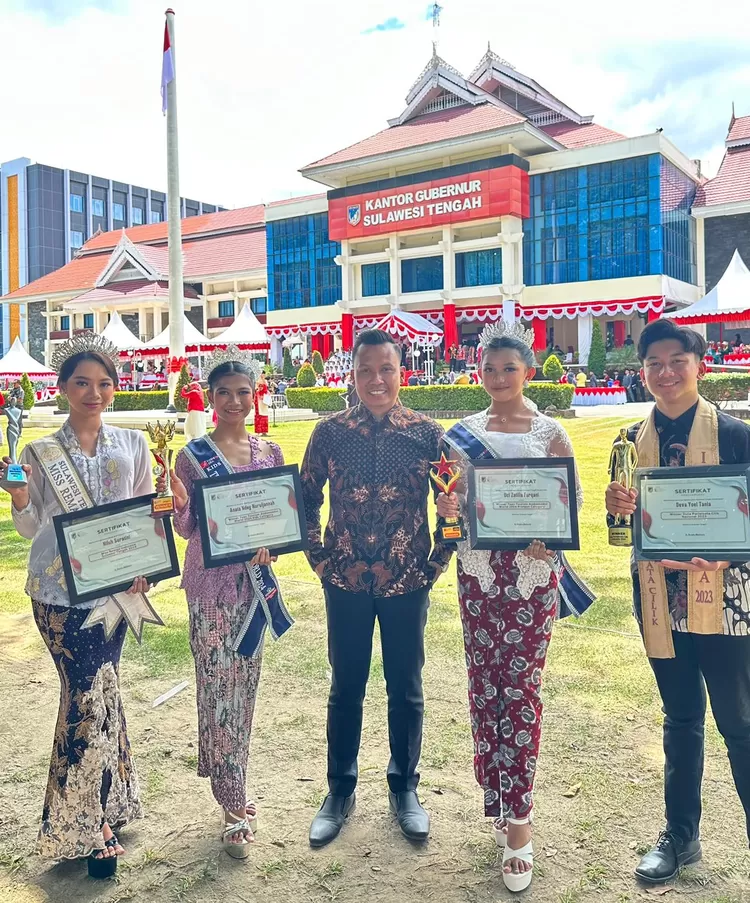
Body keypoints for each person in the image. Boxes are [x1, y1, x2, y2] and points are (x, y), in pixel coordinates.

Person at [441, 322, 594, 893]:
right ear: (478, 373)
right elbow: (451, 506)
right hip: (478, 574)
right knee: (484, 686)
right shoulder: (459, 435)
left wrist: (547, 534)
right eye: (489, 368)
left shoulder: (550, 431)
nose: (498, 378)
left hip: (530, 576)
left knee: (522, 688)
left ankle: (522, 820)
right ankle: (498, 797)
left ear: (528, 371)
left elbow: (570, 500)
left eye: (510, 368)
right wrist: (448, 503)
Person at [1, 335, 155, 878]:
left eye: (105, 383)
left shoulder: (134, 445)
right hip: (58, 593)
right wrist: (20, 500)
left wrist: (146, 565)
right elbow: (28, 529)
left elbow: (143, 515)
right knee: (86, 697)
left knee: (105, 694)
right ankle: (84, 826)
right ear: (63, 389)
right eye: (83, 383)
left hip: (115, 589)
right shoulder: (39, 452)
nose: (95, 392)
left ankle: (106, 805)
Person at [605, 319, 750, 885]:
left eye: (676, 361)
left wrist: (730, 555)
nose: (664, 373)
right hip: (661, 602)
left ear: (700, 365)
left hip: (728, 599)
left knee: (739, 721)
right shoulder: (627, 441)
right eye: (654, 364)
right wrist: (620, 505)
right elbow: (622, 531)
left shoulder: (737, 435)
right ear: (643, 373)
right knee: (682, 716)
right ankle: (681, 835)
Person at [300, 329, 453, 848]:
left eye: (385, 369)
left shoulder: (429, 435)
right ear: (353, 373)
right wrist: (319, 560)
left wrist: (437, 563)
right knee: (346, 687)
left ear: (400, 372)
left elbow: (451, 505)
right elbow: (304, 498)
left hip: (408, 578)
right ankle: (339, 789)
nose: (375, 380)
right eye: (365, 370)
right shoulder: (328, 433)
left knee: (405, 689)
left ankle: (404, 786)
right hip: (343, 579)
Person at [167, 348, 290, 858]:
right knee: (216, 688)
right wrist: (174, 503)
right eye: (224, 392)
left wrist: (273, 544)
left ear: (254, 393)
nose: (234, 400)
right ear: (210, 397)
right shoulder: (192, 457)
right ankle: (232, 800)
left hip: (254, 589)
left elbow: (279, 523)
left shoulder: (270, 453)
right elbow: (187, 528)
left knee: (243, 692)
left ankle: (232, 774)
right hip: (210, 588)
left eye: (244, 391)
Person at [181, 378, 207, 443]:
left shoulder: (194, 392)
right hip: (199, 412)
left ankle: (193, 438)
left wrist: (184, 388)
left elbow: (184, 394)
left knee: (190, 426)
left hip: (194, 412)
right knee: (198, 426)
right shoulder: (200, 393)